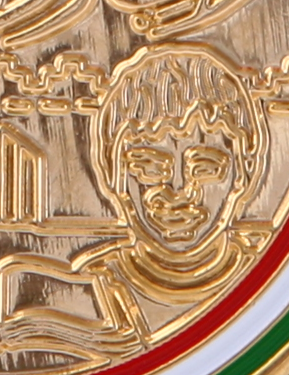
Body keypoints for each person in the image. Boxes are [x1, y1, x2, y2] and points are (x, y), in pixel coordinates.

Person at [77, 43, 272, 322]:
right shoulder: (88, 284)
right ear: (112, 174)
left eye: (204, 168)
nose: (179, 190)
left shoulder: (274, 282)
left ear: (244, 173)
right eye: (150, 168)